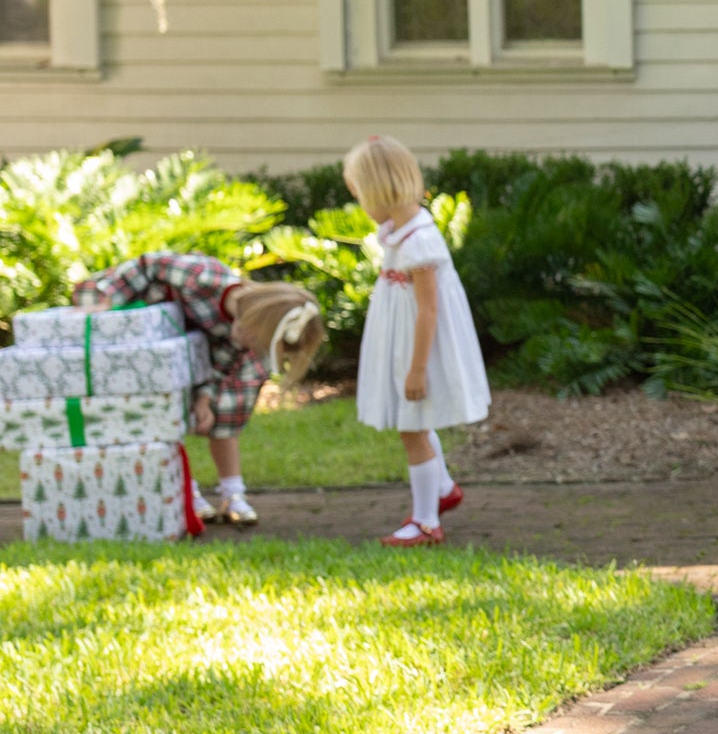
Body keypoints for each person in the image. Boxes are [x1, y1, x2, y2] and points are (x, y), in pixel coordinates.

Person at [71, 256, 325, 526]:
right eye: (255, 339)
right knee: (162, 405)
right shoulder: (203, 278)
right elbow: (149, 264)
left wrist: (205, 396)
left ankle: (232, 492)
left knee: (232, 397)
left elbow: (225, 360)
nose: (252, 345)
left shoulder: (240, 339)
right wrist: (114, 299)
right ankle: (182, 487)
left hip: (193, 349)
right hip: (147, 331)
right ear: (251, 317)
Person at [344, 135, 489, 547]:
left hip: (418, 347)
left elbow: (428, 309)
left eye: (360, 196)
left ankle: (426, 522)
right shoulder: (400, 229)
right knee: (416, 422)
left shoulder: (420, 240)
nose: (362, 206)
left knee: (413, 429)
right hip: (402, 341)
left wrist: (417, 368)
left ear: (378, 192)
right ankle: (441, 489)